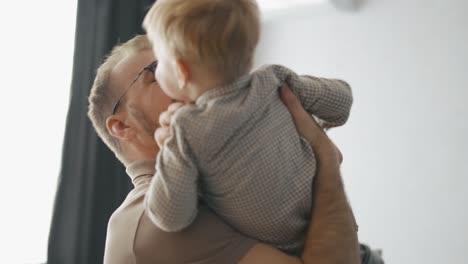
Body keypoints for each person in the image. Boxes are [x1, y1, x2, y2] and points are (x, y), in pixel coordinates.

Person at [87, 35, 382, 264]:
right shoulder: (151, 223)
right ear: (122, 126)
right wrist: (326, 161)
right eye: (156, 71)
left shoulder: (220, 163)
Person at [142, 0, 353, 253]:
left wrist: (170, 151)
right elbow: (342, 101)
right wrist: (302, 129)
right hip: (342, 235)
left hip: (292, 253)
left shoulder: (187, 129)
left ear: (181, 71)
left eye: (158, 62)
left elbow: (170, 217)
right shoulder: (273, 80)